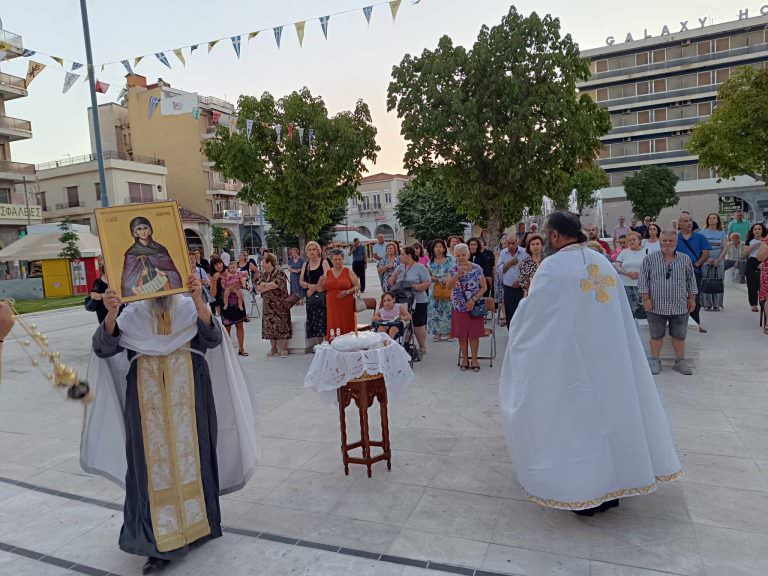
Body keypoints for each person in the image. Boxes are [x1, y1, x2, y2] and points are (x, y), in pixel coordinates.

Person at [499, 211, 681, 516]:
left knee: (578, 424)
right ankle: (615, 488)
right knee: (610, 420)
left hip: (571, 363)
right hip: (610, 360)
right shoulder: (601, 262)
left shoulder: (552, 267)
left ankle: (583, 492)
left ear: (555, 235)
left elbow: (535, 318)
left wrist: (520, 322)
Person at [83, 276, 258, 575]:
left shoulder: (189, 306)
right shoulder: (132, 314)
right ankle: (157, 544)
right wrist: (111, 314)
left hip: (190, 400)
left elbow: (213, 338)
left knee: (196, 459)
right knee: (150, 470)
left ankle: (199, 525)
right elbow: (103, 348)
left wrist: (199, 300)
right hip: (146, 405)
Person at [639, 230, 698, 375]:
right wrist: (645, 299)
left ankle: (680, 362)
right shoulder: (649, 259)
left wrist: (692, 298)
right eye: (664, 241)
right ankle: (654, 361)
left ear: (676, 242)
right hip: (655, 305)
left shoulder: (685, 259)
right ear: (660, 241)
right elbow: (643, 281)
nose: (667, 244)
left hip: (679, 305)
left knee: (679, 335)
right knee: (656, 335)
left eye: (670, 241)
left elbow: (691, 280)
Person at [447, 243, 487, 372]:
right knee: (462, 335)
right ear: (455, 256)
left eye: (463, 255)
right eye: (458, 255)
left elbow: (484, 287)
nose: (461, 258)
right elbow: (448, 286)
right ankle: (465, 359)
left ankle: (474, 359)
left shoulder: (477, 268)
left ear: (468, 254)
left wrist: (474, 299)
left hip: (474, 306)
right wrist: (457, 275)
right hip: (459, 306)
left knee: (474, 335)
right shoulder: (453, 269)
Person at [121, 217, 183, 298]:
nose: (143, 231)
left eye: (145, 228)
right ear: (135, 232)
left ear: (149, 230)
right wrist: (140, 275)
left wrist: (165, 273)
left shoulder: (160, 249)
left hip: (163, 291)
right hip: (143, 295)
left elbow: (175, 274)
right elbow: (127, 282)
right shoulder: (131, 253)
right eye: (139, 229)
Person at [390, 246, 432, 356]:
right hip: (402, 300)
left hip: (418, 300)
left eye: (402, 254)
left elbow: (428, 282)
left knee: (418, 324)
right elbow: (391, 283)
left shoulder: (420, 267)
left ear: (409, 255)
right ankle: (405, 344)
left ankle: (422, 346)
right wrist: (394, 275)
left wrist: (417, 287)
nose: (400, 256)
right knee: (405, 322)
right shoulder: (400, 267)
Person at [677, 212, 711, 332]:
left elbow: (706, 253)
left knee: (694, 298)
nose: (689, 223)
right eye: (685, 221)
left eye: (690, 220)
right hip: (678, 273)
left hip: (694, 272)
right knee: (678, 298)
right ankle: (680, 323)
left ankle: (696, 323)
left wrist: (696, 264)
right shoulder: (675, 237)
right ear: (680, 223)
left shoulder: (700, 237)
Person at [256, 252, 292, 357]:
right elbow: (258, 288)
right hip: (268, 306)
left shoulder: (279, 273)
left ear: (269, 263)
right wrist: (265, 286)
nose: (262, 264)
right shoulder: (265, 274)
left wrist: (265, 285)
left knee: (282, 326)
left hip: (280, 305)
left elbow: (275, 285)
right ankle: (273, 348)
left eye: (263, 261)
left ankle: (283, 349)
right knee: (269, 327)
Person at [211, 257, 248, 356]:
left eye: (220, 263)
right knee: (227, 328)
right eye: (216, 264)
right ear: (213, 267)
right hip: (225, 304)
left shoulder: (230, 270)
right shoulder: (214, 277)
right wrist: (214, 281)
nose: (219, 266)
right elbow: (213, 294)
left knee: (240, 325)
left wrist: (243, 281)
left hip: (237, 301)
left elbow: (242, 277)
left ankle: (241, 348)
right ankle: (228, 352)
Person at [324, 248, 360, 339]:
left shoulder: (348, 271)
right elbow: (322, 288)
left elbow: (357, 286)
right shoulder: (327, 273)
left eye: (339, 259)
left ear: (343, 259)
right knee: (333, 322)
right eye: (335, 259)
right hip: (332, 304)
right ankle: (333, 340)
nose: (337, 261)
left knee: (346, 322)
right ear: (331, 260)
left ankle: (348, 341)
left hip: (346, 303)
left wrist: (347, 292)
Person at [299, 241, 330, 345]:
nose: (312, 252)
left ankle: (328, 344)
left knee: (325, 321)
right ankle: (320, 345)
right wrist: (310, 286)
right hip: (311, 298)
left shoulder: (324, 262)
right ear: (307, 252)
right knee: (315, 322)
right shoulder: (305, 264)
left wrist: (313, 289)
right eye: (309, 249)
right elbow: (301, 282)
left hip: (323, 297)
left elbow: (326, 278)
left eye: (314, 249)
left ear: (318, 251)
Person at [427, 239, 455, 342]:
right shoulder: (429, 261)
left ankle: (450, 333)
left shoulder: (450, 260)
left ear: (444, 248)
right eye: (436, 247)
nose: (438, 249)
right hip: (435, 287)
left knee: (448, 309)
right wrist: (438, 279)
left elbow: (453, 272)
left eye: (440, 247)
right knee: (435, 310)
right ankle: (437, 333)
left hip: (448, 285)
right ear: (433, 249)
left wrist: (446, 279)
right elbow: (428, 276)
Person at [700, 213, 729, 311]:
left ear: (717, 220)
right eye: (710, 218)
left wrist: (718, 260)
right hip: (706, 260)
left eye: (714, 218)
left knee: (718, 281)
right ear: (707, 220)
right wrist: (707, 259)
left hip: (718, 261)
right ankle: (707, 304)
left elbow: (725, 247)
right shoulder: (702, 232)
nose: (712, 220)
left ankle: (717, 304)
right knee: (706, 281)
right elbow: (700, 248)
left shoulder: (721, 232)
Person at [497, 235, 527, 328]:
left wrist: (520, 281)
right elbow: (499, 270)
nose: (510, 246)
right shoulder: (503, 253)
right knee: (509, 312)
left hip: (521, 288)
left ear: (517, 242)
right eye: (509, 244)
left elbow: (528, 269)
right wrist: (509, 263)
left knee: (521, 311)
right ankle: (511, 334)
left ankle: (520, 334)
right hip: (508, 288)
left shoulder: (524, 252)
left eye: (513, 243)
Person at [614, 231, 646, 316]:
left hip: (642, 284)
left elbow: (652, 266)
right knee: (629, 309)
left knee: (642, 311)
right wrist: (627, 273)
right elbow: (617, 265)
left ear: (639, 240)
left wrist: (640, 274)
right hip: (626, 284)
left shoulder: (647, 251)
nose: (631, 242)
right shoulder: (624, 252)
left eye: (634, 240)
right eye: (629, 240)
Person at [744, 223, 767, 312]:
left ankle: (764, 303)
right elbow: (744, 254)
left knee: (763, 285)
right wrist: (754, 246)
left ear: (763, 230)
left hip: (763, 261)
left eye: (759, 229)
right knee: (752, 285)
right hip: (752, 262)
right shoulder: (749, 241)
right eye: (755, 229)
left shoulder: (766, 240)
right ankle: (753, 304)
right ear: (752, 231)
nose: (757, 231)